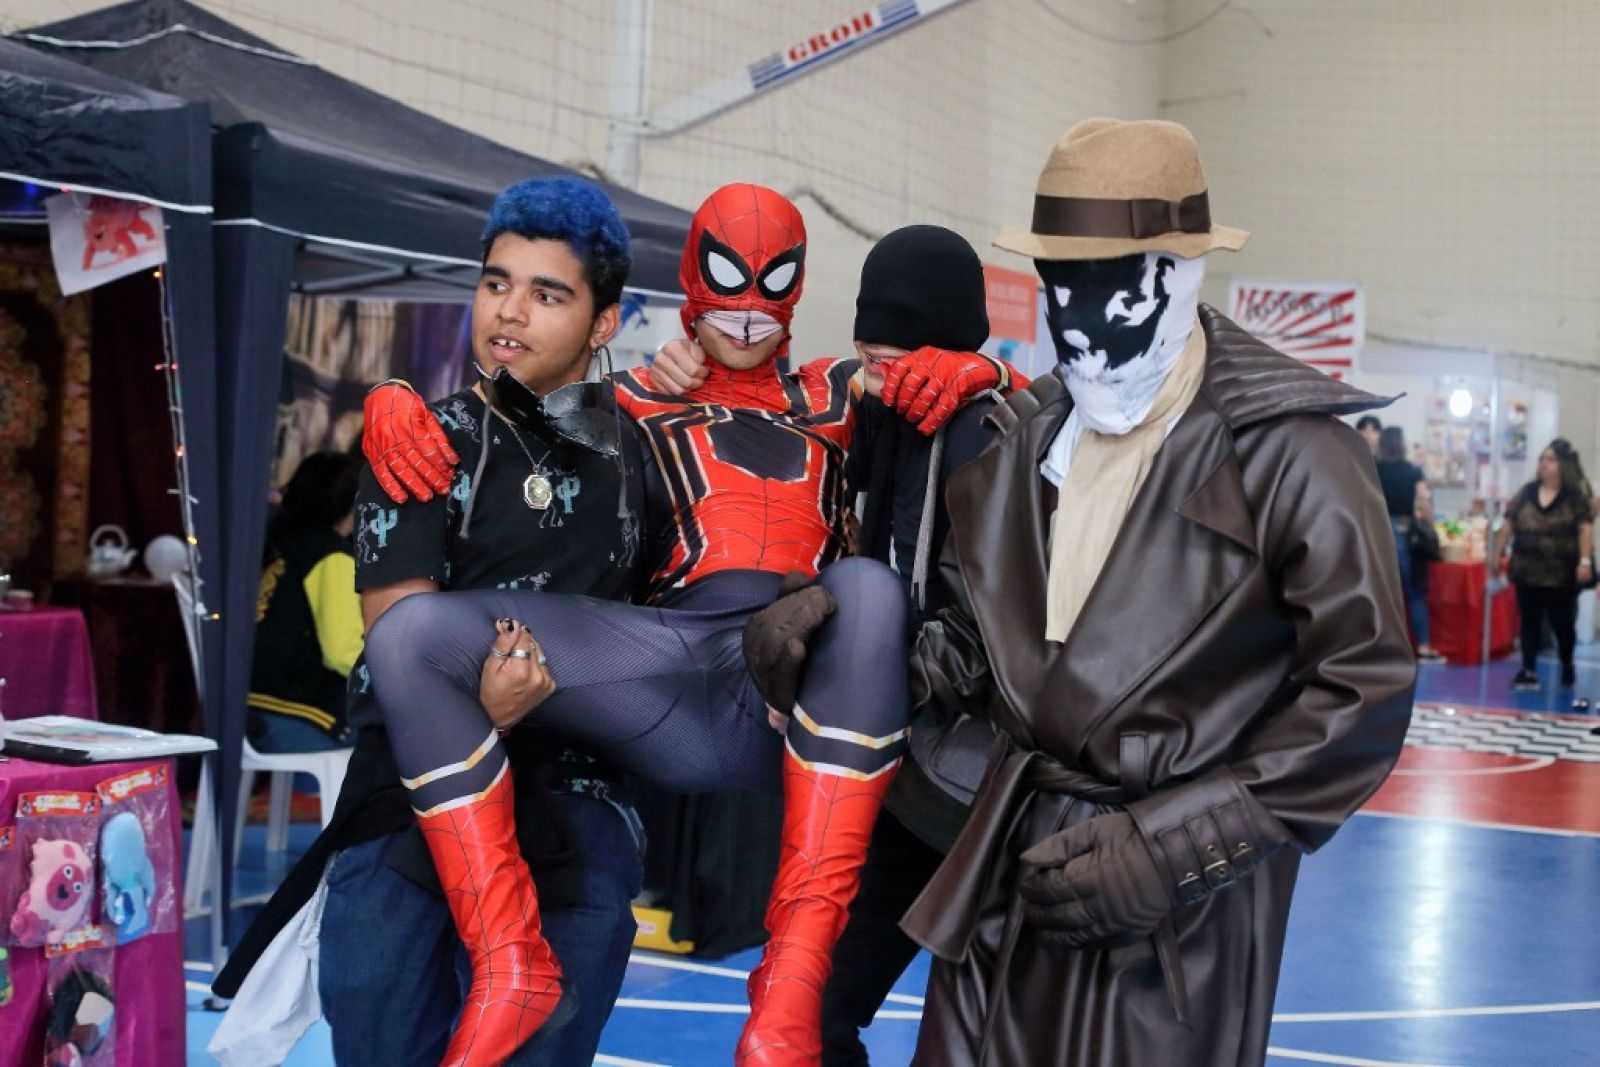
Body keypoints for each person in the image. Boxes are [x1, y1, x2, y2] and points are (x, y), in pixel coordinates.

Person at [750, 119, 1417, 1065]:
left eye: (1112, 278)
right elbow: (979, 642)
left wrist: (1180, 847)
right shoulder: (1032, 438)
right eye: (1061, 278)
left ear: (1175, 274)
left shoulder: (1295, 451)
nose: (1080, 309)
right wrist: (838, 654)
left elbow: (1364, 689)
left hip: (1171, 913)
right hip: (1005, 858)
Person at [358, 183, 1017, 1065]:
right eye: (727, 278)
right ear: (693, 279)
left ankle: (789, 992)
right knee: (409, 636)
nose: (746, 309)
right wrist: (395, 397)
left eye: (769, 282)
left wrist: (988, 372)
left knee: (865, 588)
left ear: (797, 284)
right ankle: (511, 960)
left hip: (798, 689)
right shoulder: (627, 395)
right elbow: (501, 412)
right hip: (666, 668)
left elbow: (1003, 398)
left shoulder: (837, 391)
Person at [215, 176, 657, 1067]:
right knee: (383, 1042)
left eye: (547, 294)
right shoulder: (420, 439)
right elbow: (399, 638)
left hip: (575, 804)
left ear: (603, 321)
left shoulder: (645, 456)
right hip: (409, 802)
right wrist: (478, 712)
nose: (510, 311)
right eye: (496, 283)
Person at [651, 224, 1007, 1064]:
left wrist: (853, 683)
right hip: (901, 782)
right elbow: (771, 397)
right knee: (810, 1007)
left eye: (899, 339)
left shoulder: (990, 443)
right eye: (867, 334)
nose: (874, 352)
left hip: (982, 798)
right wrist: (686, 365)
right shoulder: (875, 414)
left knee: (975, 1037)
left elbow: (991, 635)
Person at [246, 450, 363, 752]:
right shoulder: (331, 556)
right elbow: (342, 653)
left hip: (246, 707)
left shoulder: (278, 547)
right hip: (300, 714)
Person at [1495, 438, 1595, 690]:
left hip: (1561, 573)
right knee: (1529, 622)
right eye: (1542, 459)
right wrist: (1496, 553)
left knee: (1563, 624)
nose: (1544, 464)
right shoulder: (1527, 492)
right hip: (1527, 568)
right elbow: (1509, 522)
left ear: (1562, 465)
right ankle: (1528, 669)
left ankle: (1567, 662)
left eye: (1550, 459)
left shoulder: (1574, 497)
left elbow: (1585, 528)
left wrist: (1584, 561)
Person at [1376, 426, 1445, 662]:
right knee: (1415, 592)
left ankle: (1382, 649)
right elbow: (1424, 502)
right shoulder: (1413, 470)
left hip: (1378, 531)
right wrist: (1431, 526)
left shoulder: (1373, 468)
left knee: (1382, 594)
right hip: (1404, 530)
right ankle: (1423, 647)